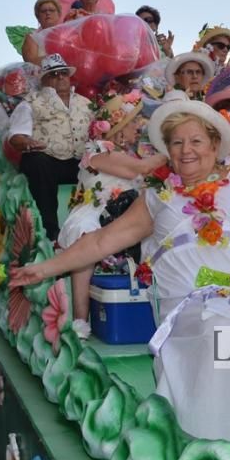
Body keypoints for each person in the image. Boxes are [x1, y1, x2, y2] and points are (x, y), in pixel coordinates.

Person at [11, 92, 230, 460]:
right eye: (177, 143)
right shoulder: (156, 197)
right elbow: (99, 241)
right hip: (190, 304)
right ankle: (215, 459)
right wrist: (44, 269)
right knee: (222, 330)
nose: (186, 150)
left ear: (215, 144)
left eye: (196, 141)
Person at [57, 90, 166, 337]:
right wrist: (176, 146)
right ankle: (81, 320)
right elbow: (141, 169)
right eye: (135, 121)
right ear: (119, 126)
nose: (139, 126)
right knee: (86, 235)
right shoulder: (96, 151)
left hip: (129, 214)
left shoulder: (132, 153)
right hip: (97, 211)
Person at [7, 54, 94, 241]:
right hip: (50, 162)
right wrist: (28, 142)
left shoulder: (85, 103)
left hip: (81, 162)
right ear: (45, 80)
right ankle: (50, 231)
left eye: (63, 73)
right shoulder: (31, 102)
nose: (61, 77)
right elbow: (16, 136)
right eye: (54, 74)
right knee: (35, 161)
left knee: (106, 161)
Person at [22, 0, 63, 65]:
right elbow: (31, 63)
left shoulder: (67, 34)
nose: (48, 13)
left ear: (59, 14)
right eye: (43, 11)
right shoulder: (32, 37)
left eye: (51, 10)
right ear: (38, 17)